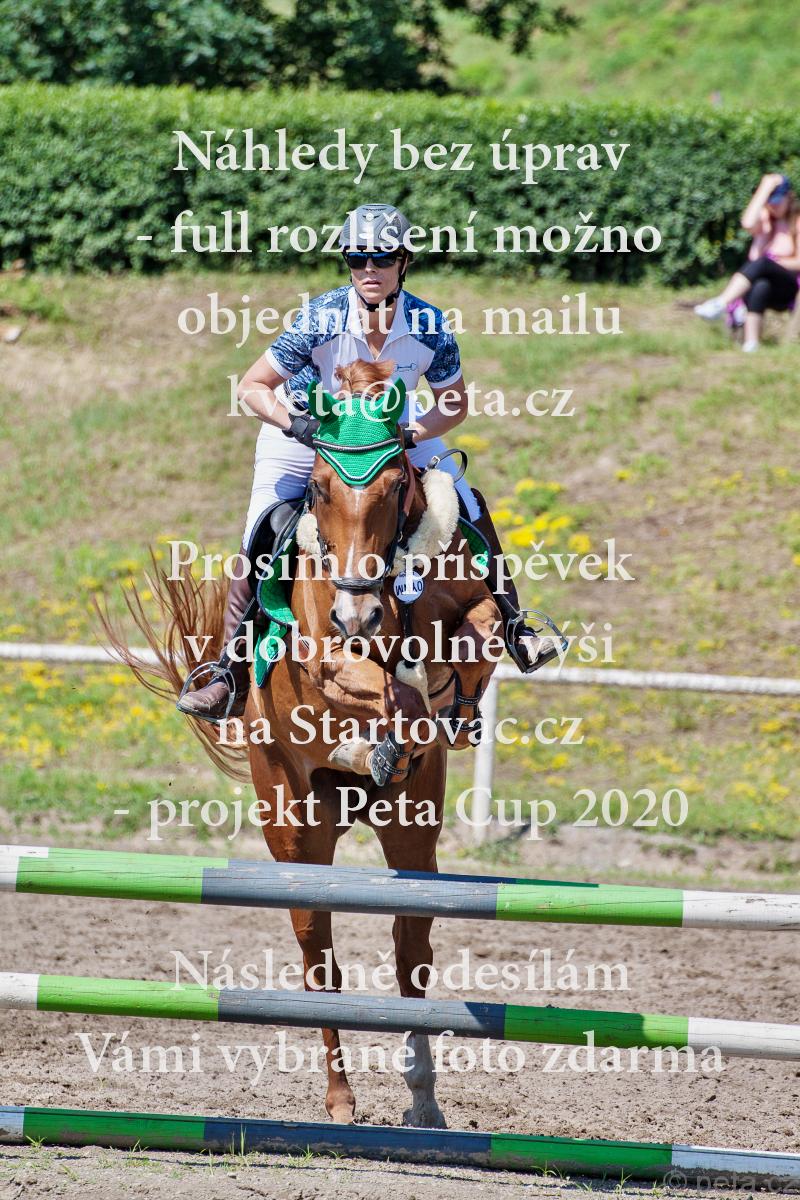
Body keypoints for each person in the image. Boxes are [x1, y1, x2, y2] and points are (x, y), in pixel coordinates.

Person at [178, 204, 558, 722]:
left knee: (467, 502)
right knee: (263, 525)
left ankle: (516, 626)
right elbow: (252, 386)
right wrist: (298, 425)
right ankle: (229, 671)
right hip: (309, 434)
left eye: (382, 257)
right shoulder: (321, 318)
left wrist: (412, 433)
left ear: (404, 262)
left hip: (391, 434)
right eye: (358, 258)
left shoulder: (428, 324)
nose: (369, 268)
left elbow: (453, 403)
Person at [694, 174, 800, 352]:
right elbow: (747, 222)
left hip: (788, 287)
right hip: (767, 284)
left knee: (763, 263)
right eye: (769, 202)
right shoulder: (765, 221)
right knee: (760, 285)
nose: (773, 206)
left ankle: (720, 303)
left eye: (777, 201)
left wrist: (775, 262)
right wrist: (764, 187)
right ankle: (752, 343)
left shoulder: (797, 221)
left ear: (789, 197)